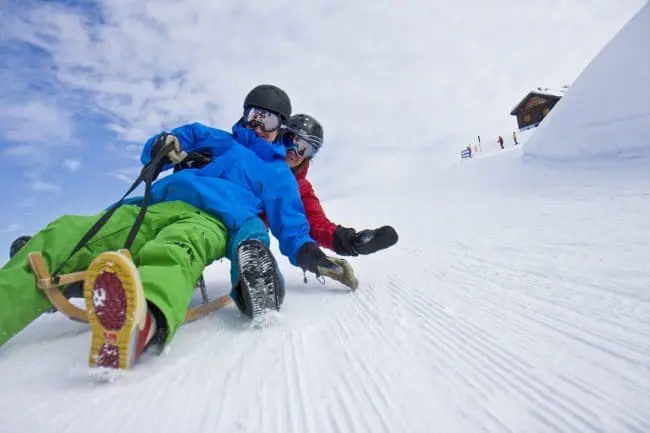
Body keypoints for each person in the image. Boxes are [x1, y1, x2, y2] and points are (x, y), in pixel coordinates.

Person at [0, 87, 343, 371]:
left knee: (175, 250)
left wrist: (311, 254)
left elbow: (293, 226)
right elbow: (180, 135)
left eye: (267, 121)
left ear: (280, 128)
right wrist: (165, 145)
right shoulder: (216, 139)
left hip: (212, 220)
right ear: (244, 114)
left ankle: (140, 321)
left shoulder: (279, 174)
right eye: (254, 115)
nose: (258, 126)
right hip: (155, 205)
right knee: (68, 231)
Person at [231, 110, 398, 261]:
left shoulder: (299, 187)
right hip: (219, 214)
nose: (294, 151)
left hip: (246, 237)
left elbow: (315, 223)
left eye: (304, 148)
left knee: (255, 231)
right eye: (291, 139)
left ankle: (252, 274)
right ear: (280, 135)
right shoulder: (253, 159)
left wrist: (348, 240)